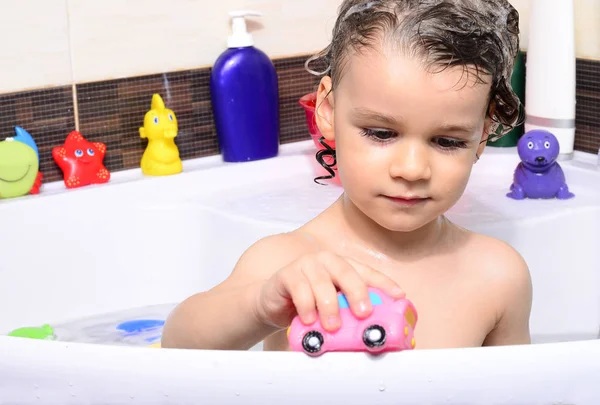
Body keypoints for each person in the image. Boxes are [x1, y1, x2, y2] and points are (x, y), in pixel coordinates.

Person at [161, 0, 532, 351]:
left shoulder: (497, 276)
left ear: (482, 133)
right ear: (327, 110)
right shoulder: (285, 263)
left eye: (447, 141)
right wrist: (260, 306)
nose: (412, 169)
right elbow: (177, 345)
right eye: (381, 133)